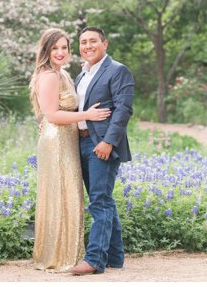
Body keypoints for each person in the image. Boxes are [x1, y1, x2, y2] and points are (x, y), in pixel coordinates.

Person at [29, 28, 111, 272]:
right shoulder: (48, 76)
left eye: (64, 47)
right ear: (46, 50)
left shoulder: (63, 74)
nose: (61, 52)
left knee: (69, 194)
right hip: (56, 142)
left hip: (67, 139)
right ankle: (57, 254)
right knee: (59, 193)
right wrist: (87, 115)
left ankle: (70, 251)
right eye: (55, 48)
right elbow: (51, 114)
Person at [71, 26, 135, 276]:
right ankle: (116, 257)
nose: (88, 46)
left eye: (93, 41)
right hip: (82, 142)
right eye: (83, 42)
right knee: (103, 199)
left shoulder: (118, 70)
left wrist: (108, 142)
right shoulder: (82, 75)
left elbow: (123, 109)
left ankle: (95, 259)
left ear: (105, 44)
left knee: (99, 200)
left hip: (102, 144)